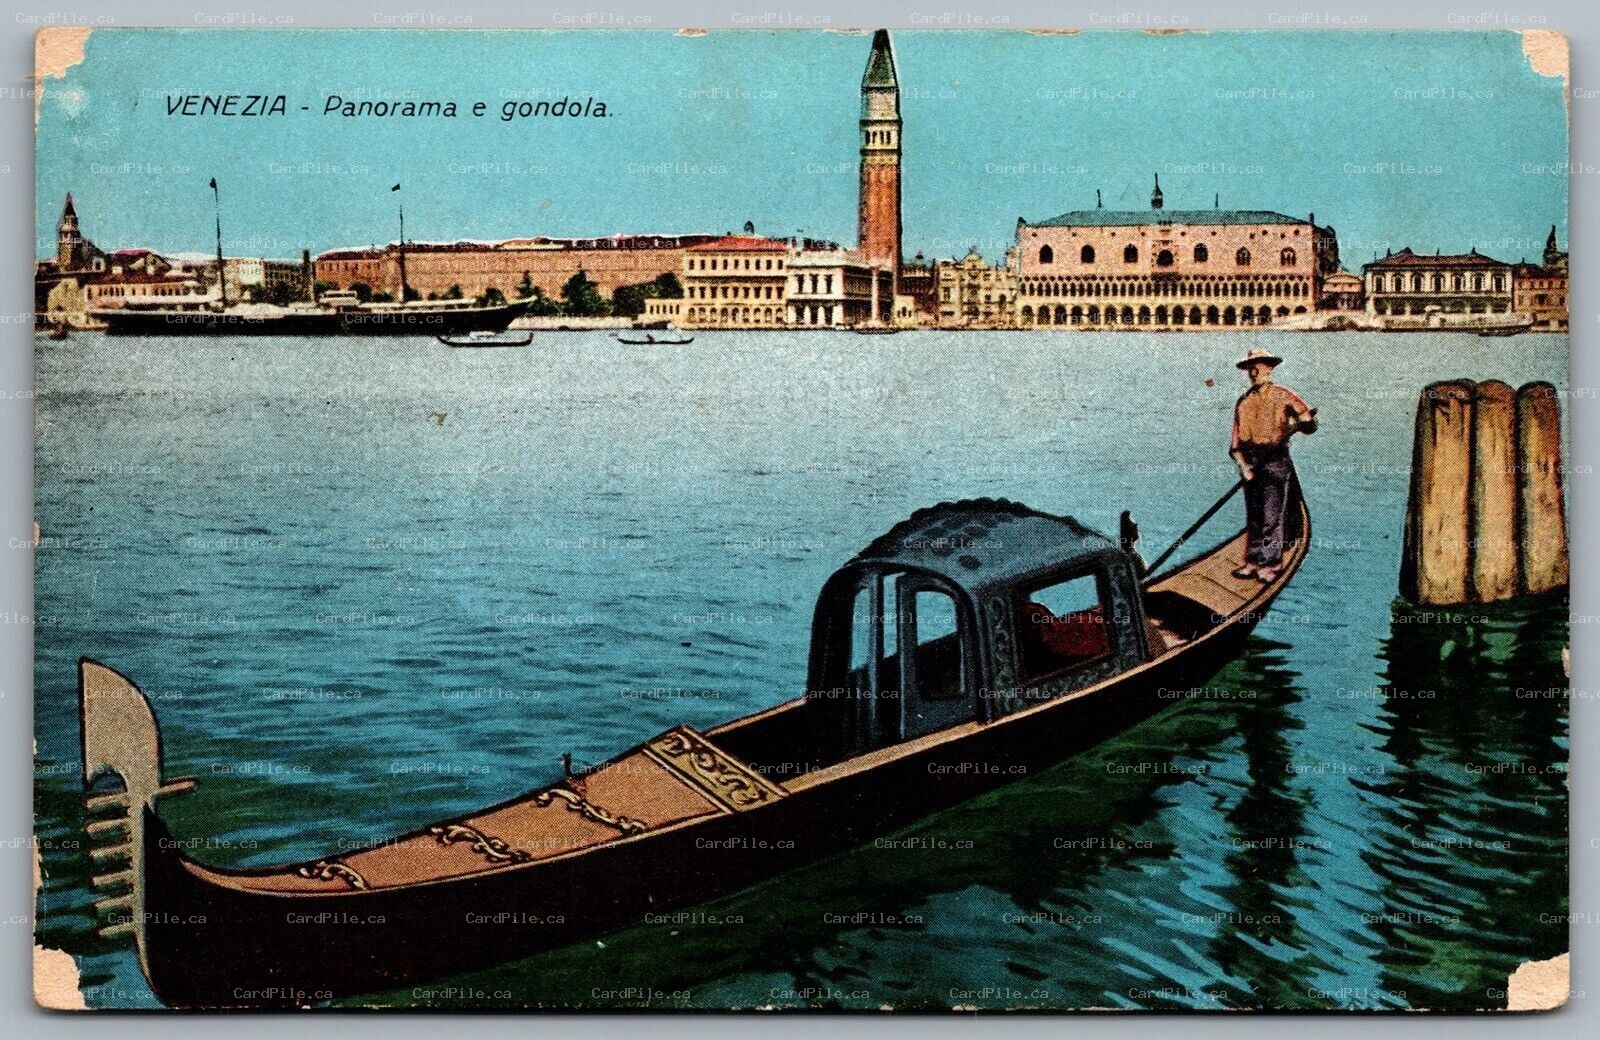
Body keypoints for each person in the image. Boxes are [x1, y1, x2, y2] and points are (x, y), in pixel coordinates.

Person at [1229, 348, 1316, 582]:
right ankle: (1252, 560)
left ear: (1270, 368)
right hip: (1251, 462)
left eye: (1260, 366)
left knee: (1271, 515)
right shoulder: (1243, 402)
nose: (1255, 371)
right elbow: (1235, 444)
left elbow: (1308, 422)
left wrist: (1303, 423)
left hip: (1276, 460)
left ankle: (1270, 563)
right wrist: (1244, 468)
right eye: (1251, 367)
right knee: (1254, 516)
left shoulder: (1283, 395)